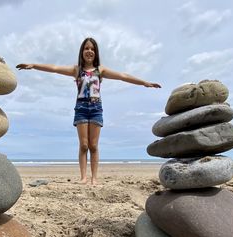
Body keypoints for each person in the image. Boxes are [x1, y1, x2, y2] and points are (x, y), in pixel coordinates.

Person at [16, 37, 161, 185]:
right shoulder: (76, 70)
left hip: (96, 108)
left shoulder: (100, 70)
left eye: (92, 49)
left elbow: (123, 76)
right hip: (81, 108)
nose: (89, 51)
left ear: (96, 52)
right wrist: (34, 65)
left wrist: (144, 83)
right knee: (84, 145)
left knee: (93, 146)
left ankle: (94, 178)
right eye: (86, 48)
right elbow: (54, 68)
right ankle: (84, 177)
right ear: (82, 51)